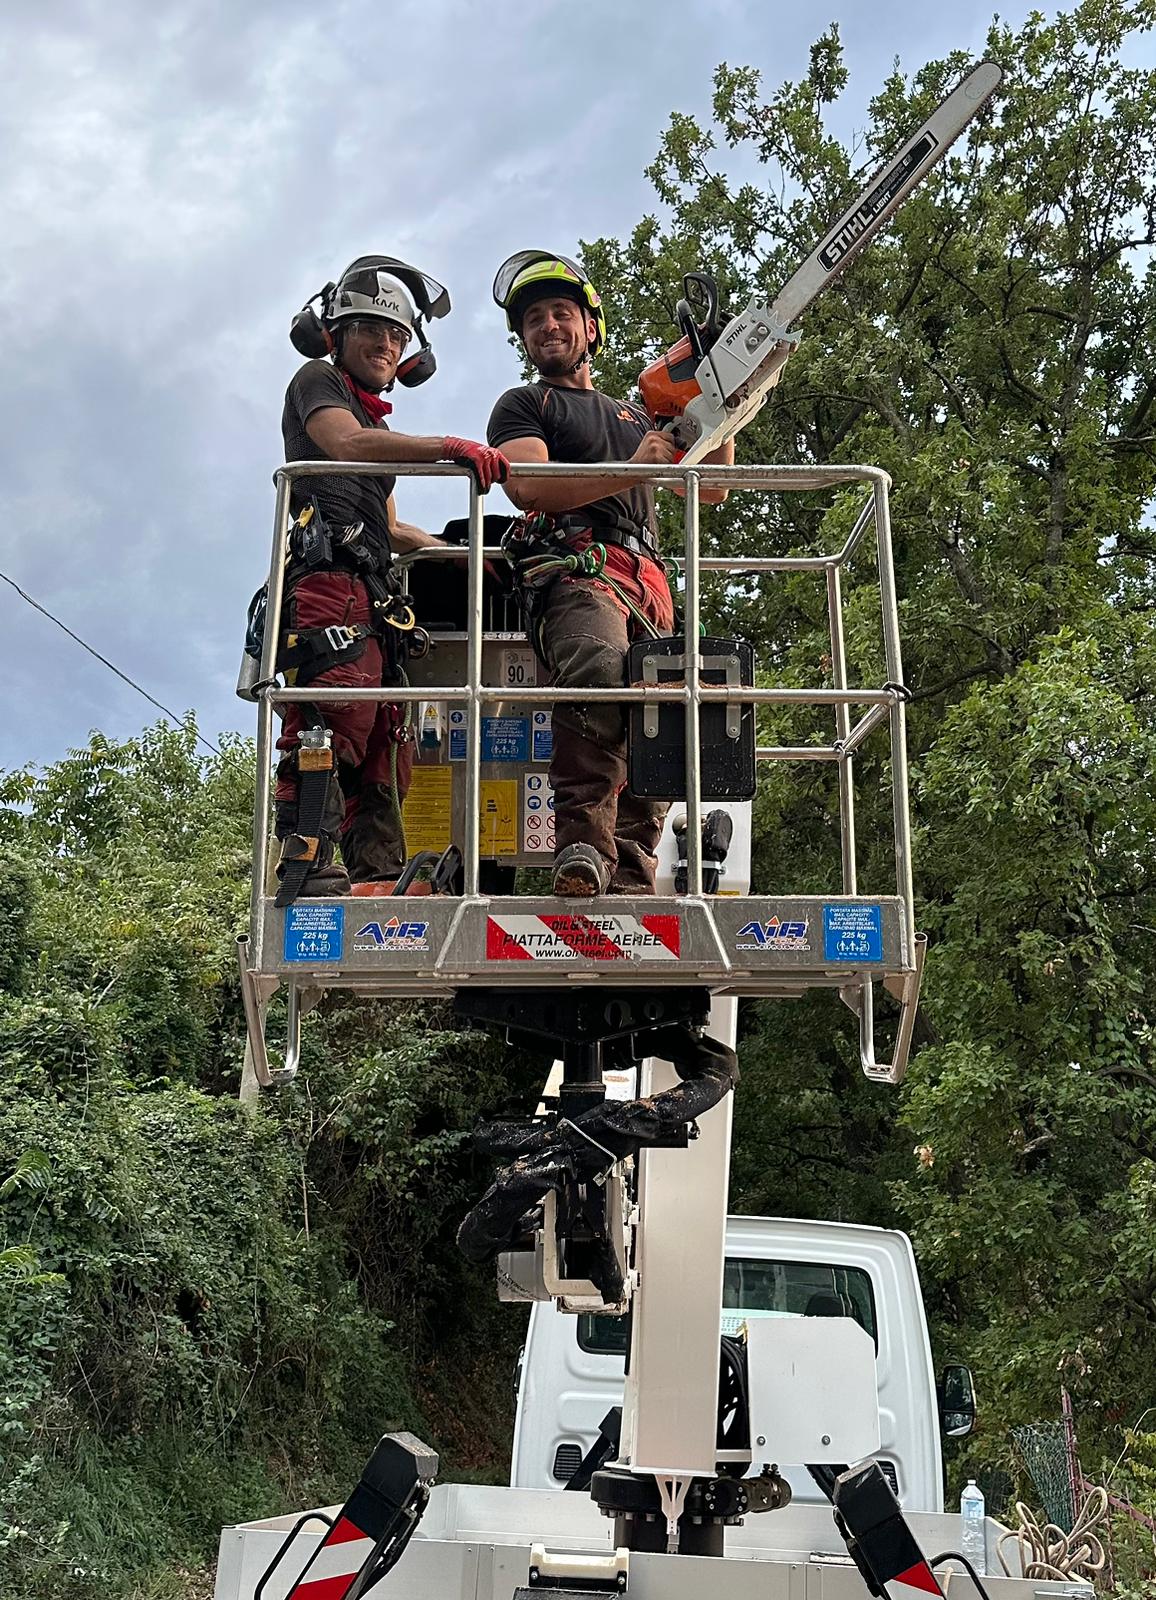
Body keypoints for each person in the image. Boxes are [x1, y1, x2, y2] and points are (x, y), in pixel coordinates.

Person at [486, 251, 733, 897]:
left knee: (665, 707)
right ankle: (582, 846)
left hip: (647, 577)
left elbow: (711, 487)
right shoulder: (525, 404)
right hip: (578, 567)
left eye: (561, 313)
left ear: (590, 327)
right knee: (598, 667)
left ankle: (629, 864)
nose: (548, 326)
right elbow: (529, 486)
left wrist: (718, 391)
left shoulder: (636, 415)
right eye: (534, 319)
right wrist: (633, 468)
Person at [275, 255, 508, 902]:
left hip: (372, 591)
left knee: (385, 737)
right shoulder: (319, 382)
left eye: (398, 335)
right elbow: (344, 446)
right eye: (372, 329)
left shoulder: (373, 421)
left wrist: (464, 553)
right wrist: (448, 447)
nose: (386, 344)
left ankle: (375, 875)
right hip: (327, 582)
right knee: (331, 717)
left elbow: (392, 524)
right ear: (335, 333)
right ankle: (307, 865)